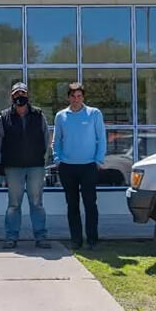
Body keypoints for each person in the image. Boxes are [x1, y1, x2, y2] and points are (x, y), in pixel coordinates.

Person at [0, 82, 51, 250]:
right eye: (16, 94)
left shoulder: (38, 115)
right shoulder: (4, 116)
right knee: (14, 204)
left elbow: (47, 139)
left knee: (36, 203)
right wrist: (3, 163)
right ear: (11, 97)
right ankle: (11, 237)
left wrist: (43, 160)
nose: (19, 97)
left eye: (22, 93)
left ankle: (41, 237)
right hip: (13, 168)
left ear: (27, 96)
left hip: (35, 167)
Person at [53, 82, 106, 250]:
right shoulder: (61, 116)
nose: (76, 99)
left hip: (89, 165)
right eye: (73, 96)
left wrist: (98, 160)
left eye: (79, 96)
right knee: (72, 205)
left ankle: (92, 240)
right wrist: (57, 159)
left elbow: (102, 138)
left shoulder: (94, 114)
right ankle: (76, 240)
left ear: (83, 97)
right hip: (67, 167)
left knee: (90, 204)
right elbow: (57, 140)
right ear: (68, 97)